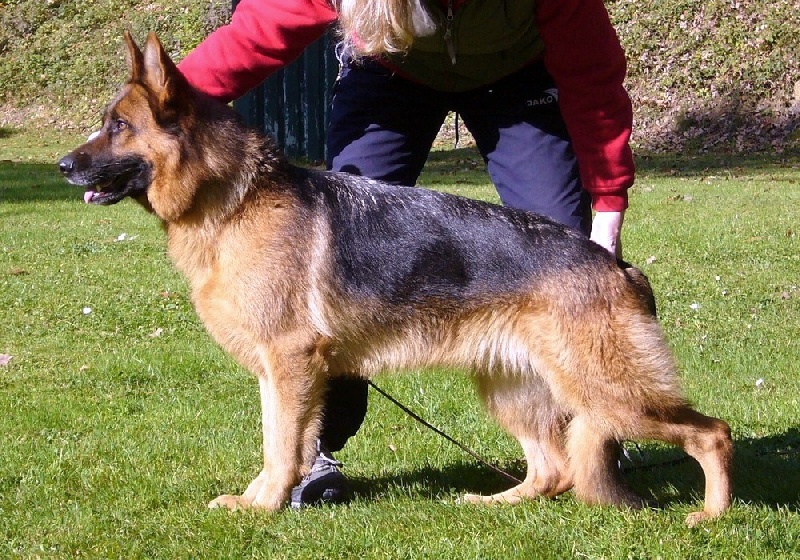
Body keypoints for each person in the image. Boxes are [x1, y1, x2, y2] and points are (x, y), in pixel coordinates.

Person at [178, 0, 635, 508]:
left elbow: (592, 74)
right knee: (341, 254)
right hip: (389, 69)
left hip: (516, 75)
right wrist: (160, 99)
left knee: (566, 256)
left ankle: (592, 439)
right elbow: (256, 33)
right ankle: (308, 455)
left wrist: (608, 206)